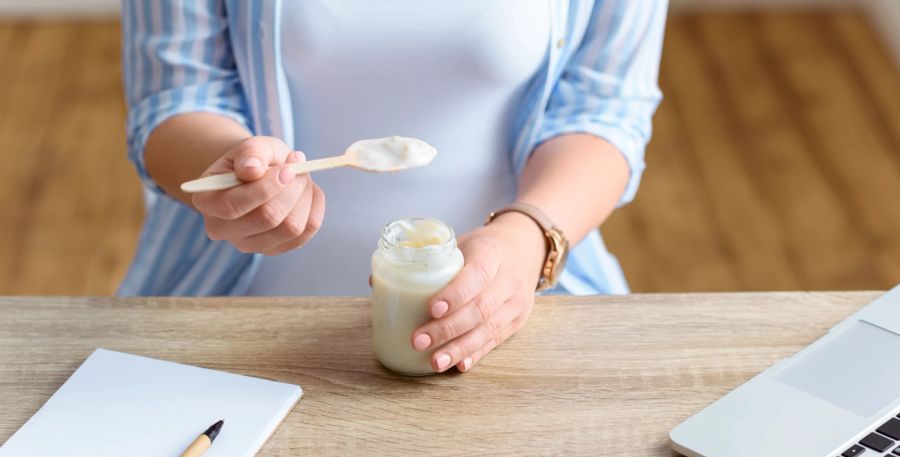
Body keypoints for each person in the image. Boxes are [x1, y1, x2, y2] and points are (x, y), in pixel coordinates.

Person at [120, 1, 666, 373]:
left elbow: (605, 108)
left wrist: (528, 240)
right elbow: (174, 96)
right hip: (230, 328)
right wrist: (231, 169)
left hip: (514, 307)